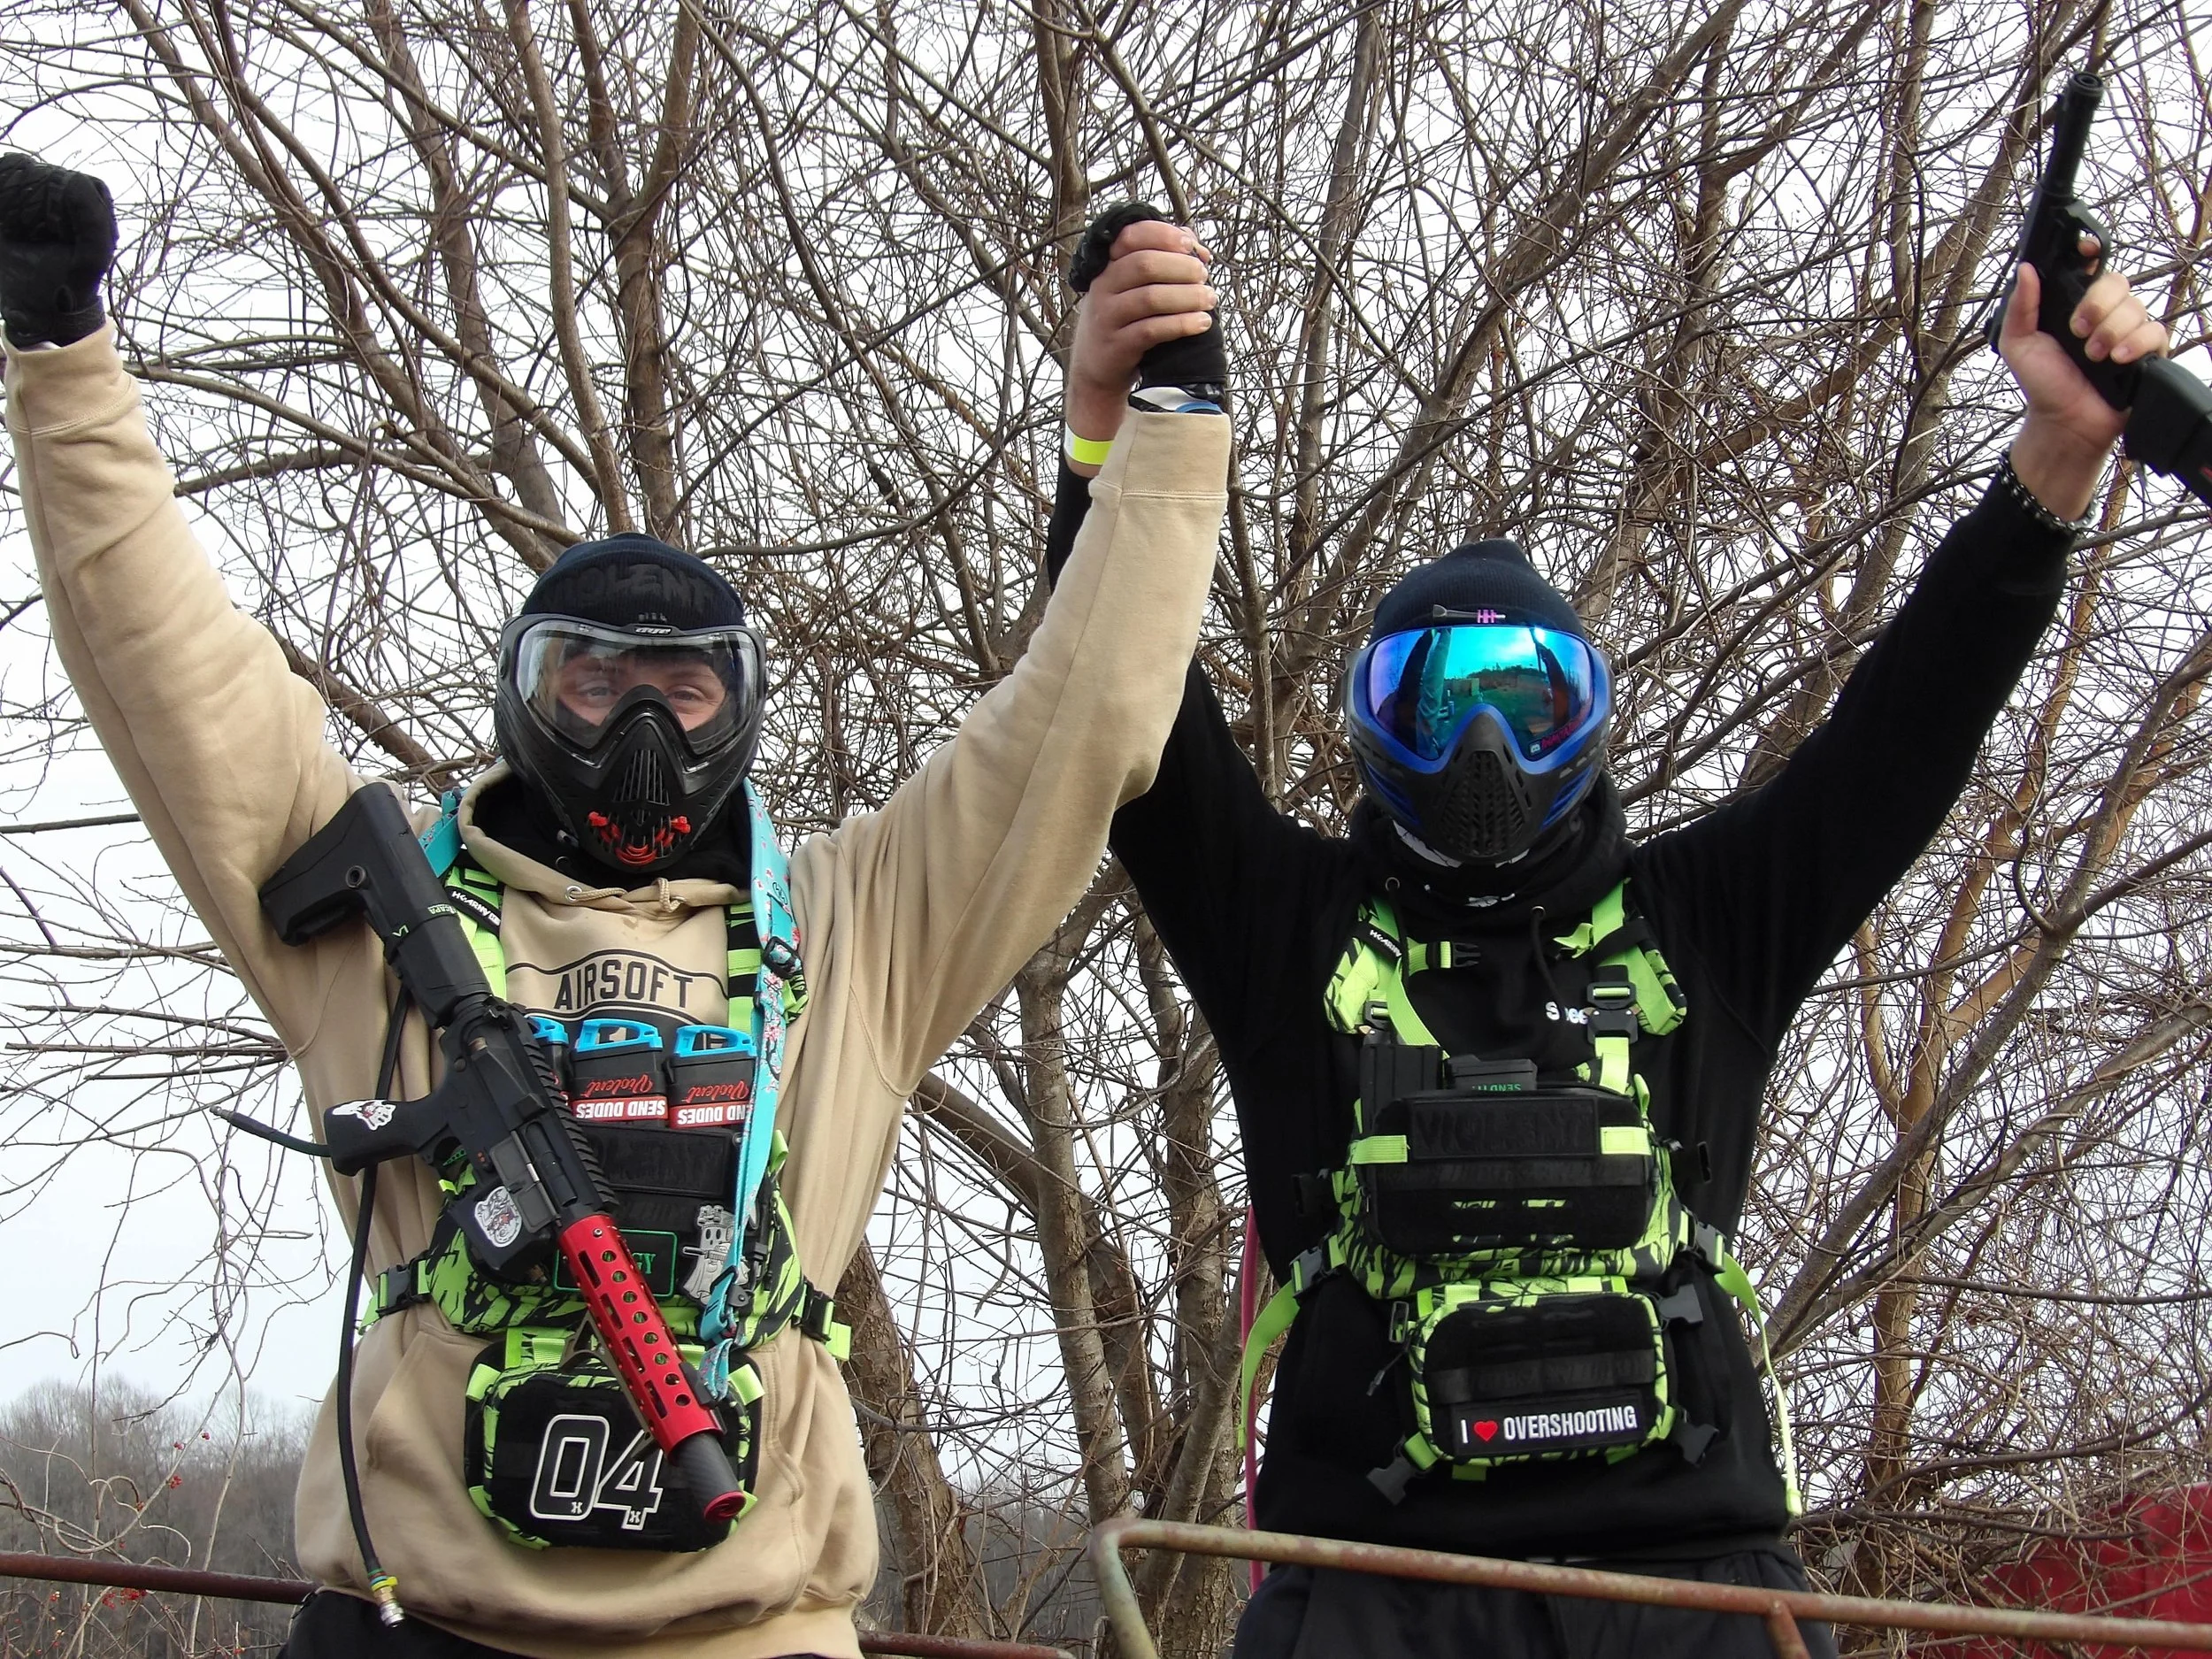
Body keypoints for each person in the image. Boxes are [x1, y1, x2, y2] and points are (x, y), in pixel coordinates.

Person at [0, 155, 1229, 1658]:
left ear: (741, 708)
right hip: (423, 1620)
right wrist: (64, 362)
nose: (640, 726)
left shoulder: (855, 929)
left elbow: (1082, 721)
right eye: (593, 682)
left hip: (750, 1627)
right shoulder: (380, 917)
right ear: (528, 695)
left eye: (684, 688)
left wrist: (1163, 425)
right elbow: (178, 682)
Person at [1049, 209, 2169, 1655]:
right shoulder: (1291, 931)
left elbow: (1913, 719)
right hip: (1367, 1587)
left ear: (1588, 715)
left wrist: (2059, 453)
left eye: (1528, 700)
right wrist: (1116, 430)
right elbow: (1122, 703)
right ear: (1374, 725)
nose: (1484, 749)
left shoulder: (1707, 921)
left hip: (1695, 1588)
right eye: (1436, 700)